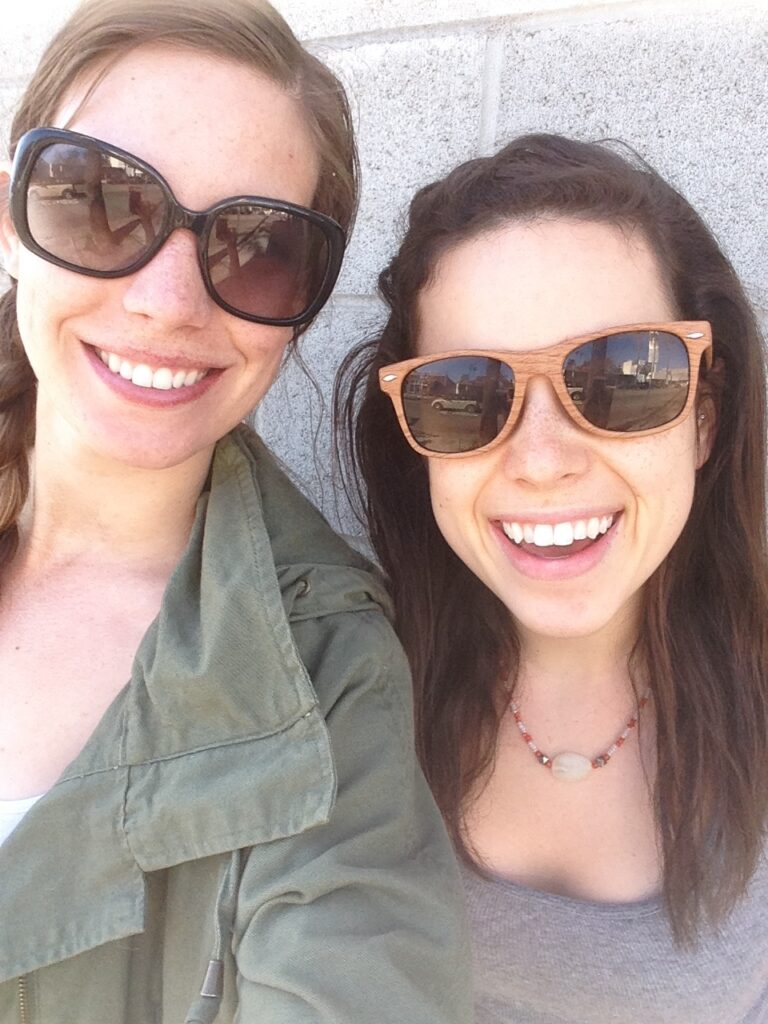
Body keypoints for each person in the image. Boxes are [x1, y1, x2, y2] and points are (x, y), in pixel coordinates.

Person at [0, 2, 472, 1021]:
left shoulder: (327, 674)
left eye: (257, 247)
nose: (169, 300)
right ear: (12, 219)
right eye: (100, 203)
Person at [338, 134, 768, 1022]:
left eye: (619, 378)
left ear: (704, 417)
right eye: (465, 393)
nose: (540, 461)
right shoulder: (337, 693)